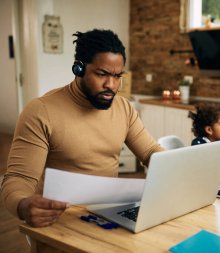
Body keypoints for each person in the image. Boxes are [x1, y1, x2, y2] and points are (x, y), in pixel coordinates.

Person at [1, 29, 163, 228]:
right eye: (102, 74)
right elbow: (19, 178)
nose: (111, 85)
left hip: (107, 217)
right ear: (78, 69)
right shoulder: (41, 111)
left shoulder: (124, 108)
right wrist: (22, 205)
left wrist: (176, 167)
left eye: (117, 76)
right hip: (58, 221)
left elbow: (150, 152)